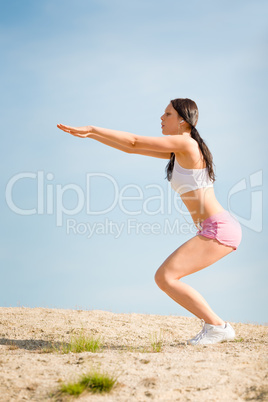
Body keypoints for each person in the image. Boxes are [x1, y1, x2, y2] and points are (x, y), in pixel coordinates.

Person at [57, 98, 242, 345]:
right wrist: (91, 135)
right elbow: (131, 148)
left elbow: (134, 141)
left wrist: (93, 128)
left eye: (167, 114)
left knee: (165, 277)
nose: (161, 118)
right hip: (216, 227)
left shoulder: (185, 143)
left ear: (183, 121)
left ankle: (217, 326)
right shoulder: (180, 149)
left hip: (219, 228)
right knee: (165, 277)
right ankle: (216, 326)